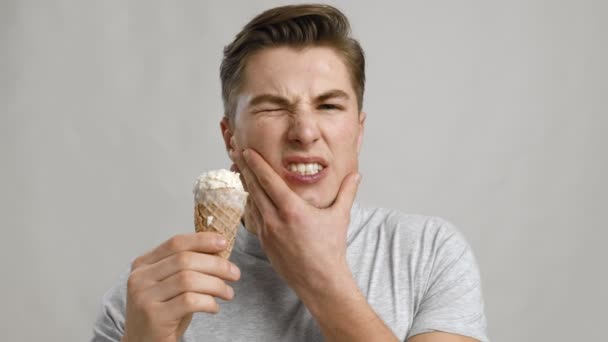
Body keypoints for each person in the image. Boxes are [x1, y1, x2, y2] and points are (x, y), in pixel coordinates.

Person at [92, 4, 488, 342]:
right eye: (271, 107)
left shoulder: (429, 254)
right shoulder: (151, 294)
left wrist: (320, 278)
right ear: (230, 137)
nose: (304, 132)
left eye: (329, 106)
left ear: (359, 130)